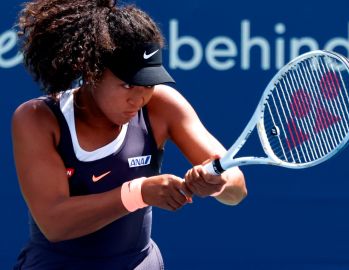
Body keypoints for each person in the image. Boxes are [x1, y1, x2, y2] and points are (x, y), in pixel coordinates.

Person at [12, 0, 247, 269]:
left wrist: (219, 182)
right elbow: (54, 223)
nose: (138, 99)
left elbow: (237, 189)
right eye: (126, 85)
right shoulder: (37, 118)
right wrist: (139, 192)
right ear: (92, 73)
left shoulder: (162, 105)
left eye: (147, 84)